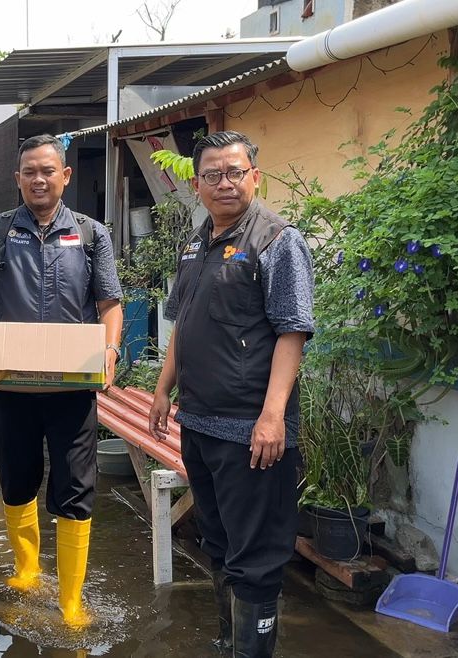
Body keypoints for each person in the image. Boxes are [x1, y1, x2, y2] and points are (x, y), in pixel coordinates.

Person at [149, 130, 313, 657]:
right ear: (196, 185)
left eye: (235, 172)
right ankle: (228, 641)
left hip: (250, 431)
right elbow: (183, 323)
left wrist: (273, 417)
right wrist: (161, 390)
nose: (225, 183)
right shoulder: (198, 243)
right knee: (218, 543)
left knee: (257, 556)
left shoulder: (277, 240)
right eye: (213, 175)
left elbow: (292, 332)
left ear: (255, 177)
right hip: (199, 422)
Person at [0, 134, 124, 627]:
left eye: (47, 170)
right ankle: (27, 569)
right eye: (29, 171)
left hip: (71, 390)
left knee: (75, 487)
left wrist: (110, 350)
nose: (38, 179)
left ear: (65, 175)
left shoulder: (93, 235)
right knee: (16, 478)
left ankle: (72, 598)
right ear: (17, 179)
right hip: (10, 387)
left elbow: (110, 305)